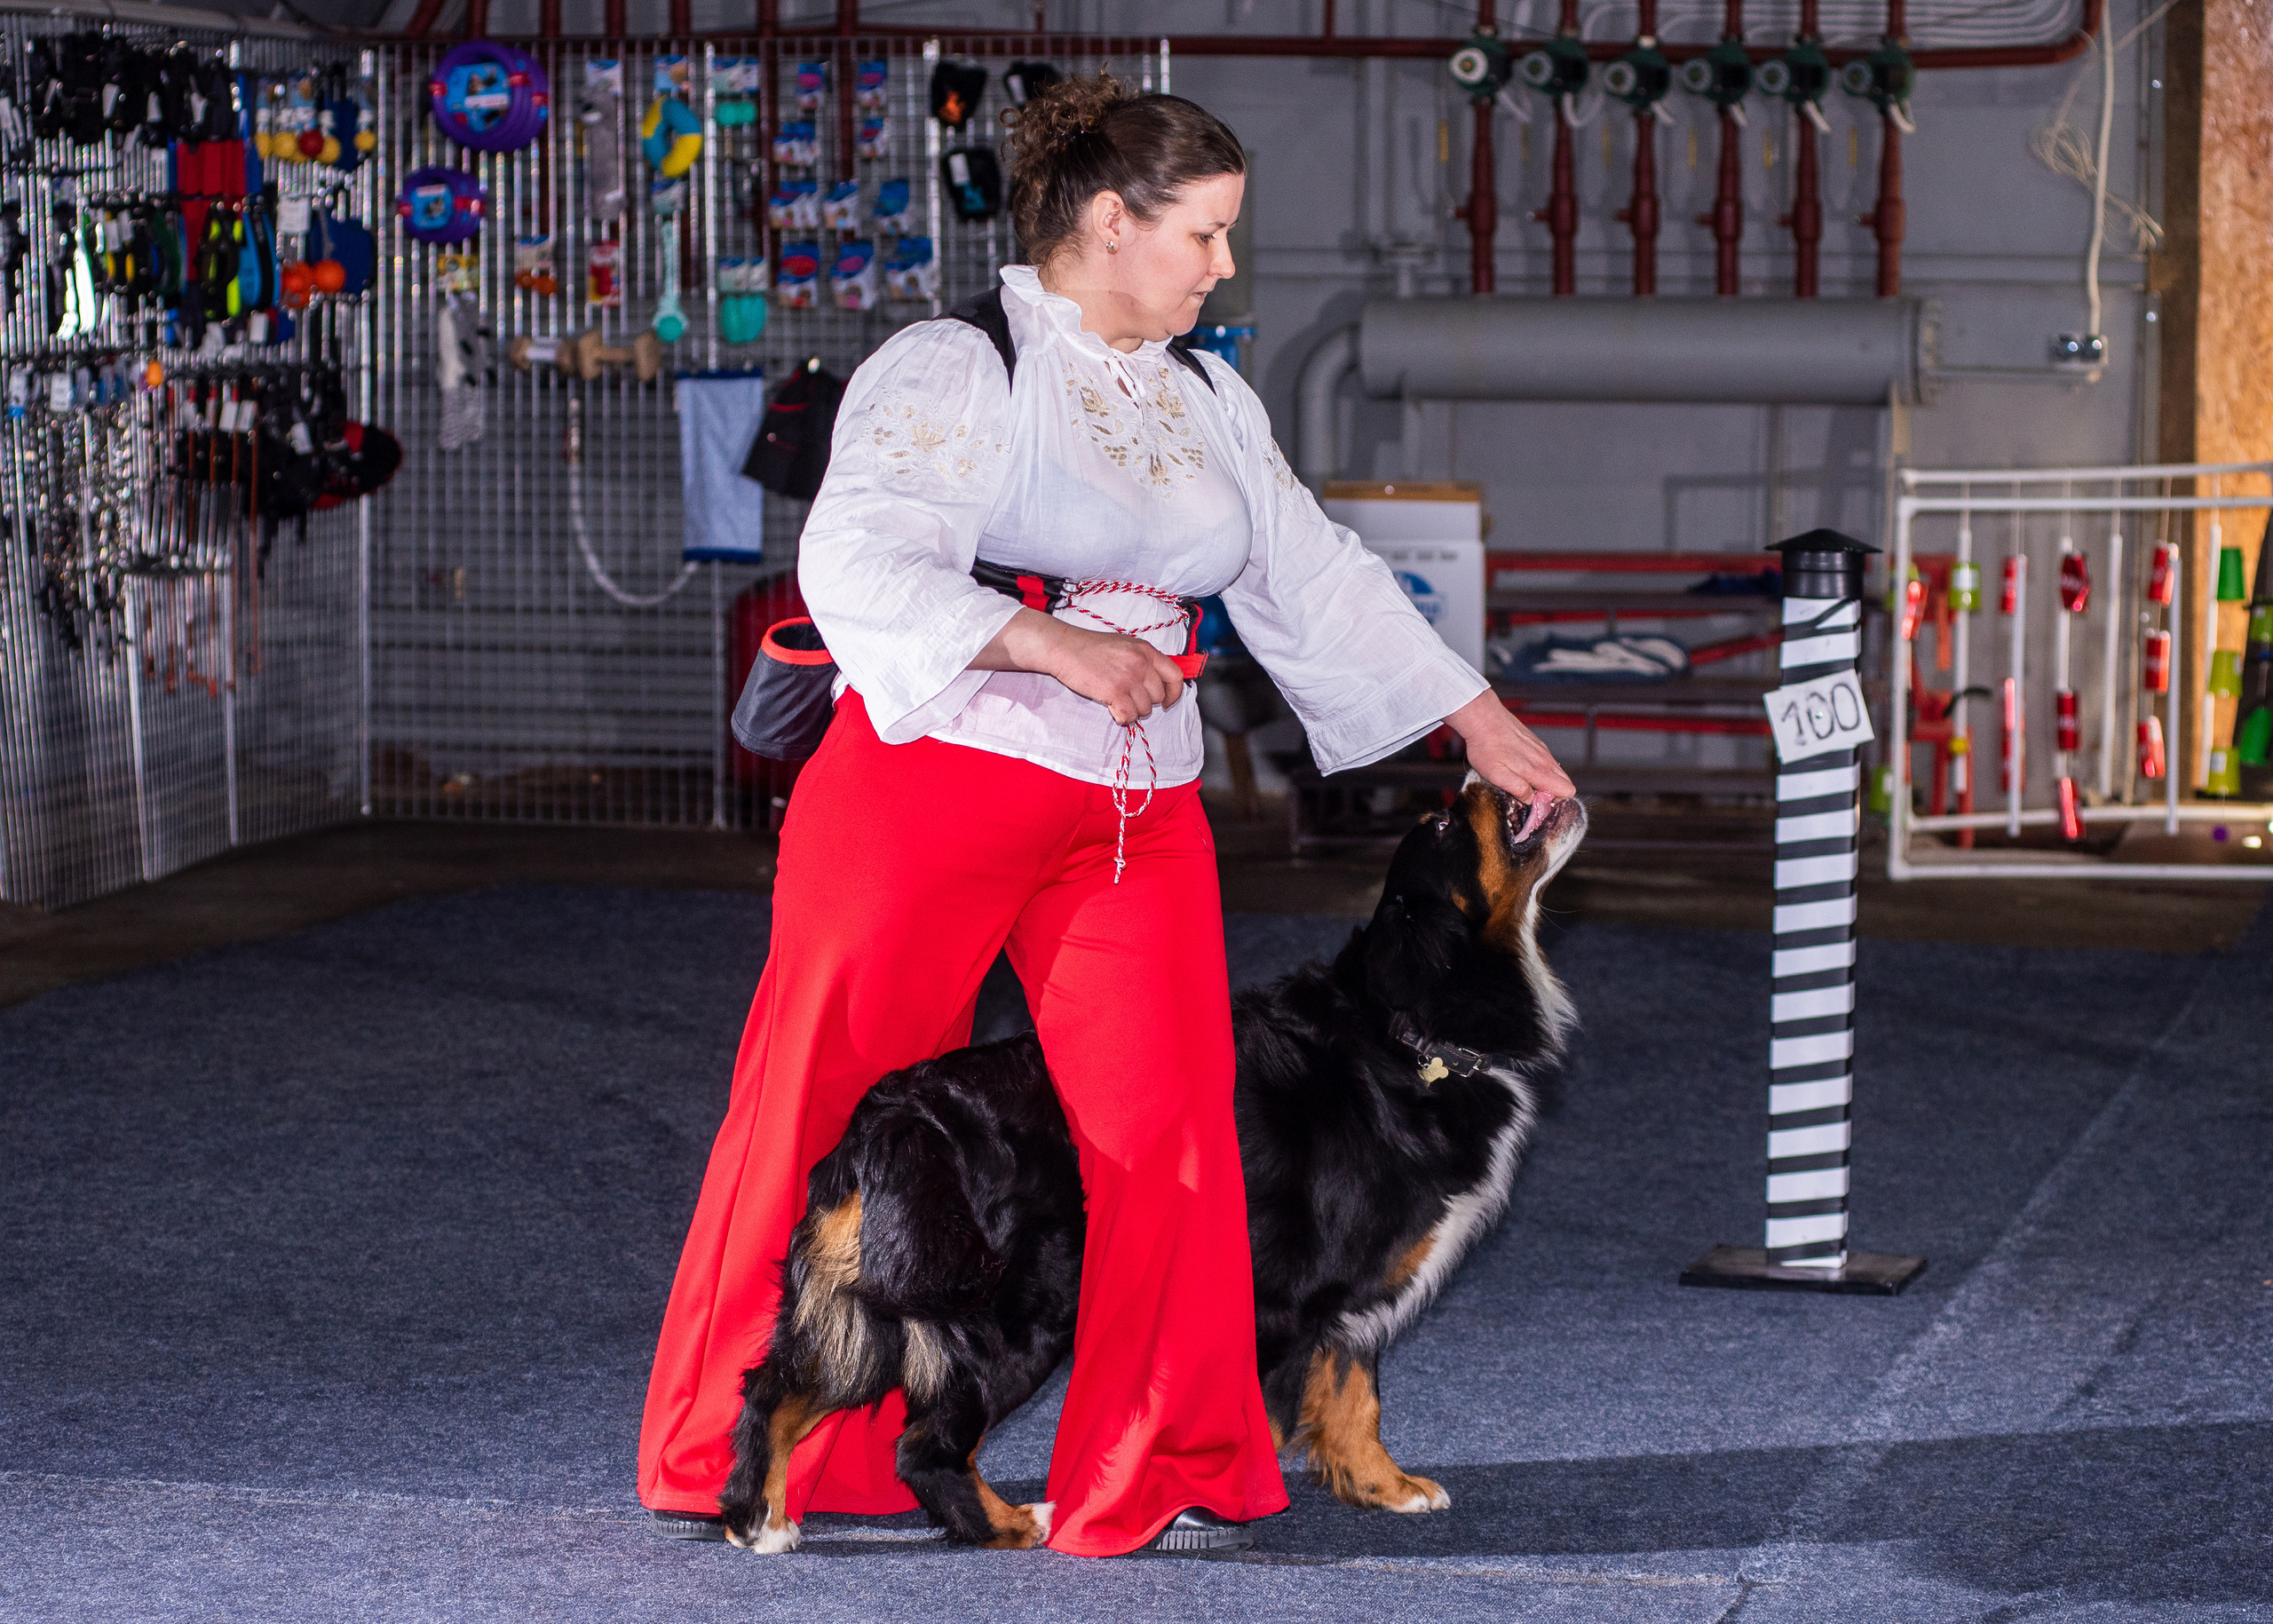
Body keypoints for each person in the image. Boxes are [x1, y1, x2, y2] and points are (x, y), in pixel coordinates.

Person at [638, 73, 1573, 1559]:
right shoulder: (958, 363)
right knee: (820, 1094)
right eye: (1200, 236)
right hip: (929, 778)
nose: (1221, 268)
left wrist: (1480, 716)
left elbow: (1316, 575)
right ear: (1104, 221)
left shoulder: (1210, 394)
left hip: (1134, 812)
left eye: (1225, 238)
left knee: (1177, 1129)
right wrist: (1050, 642)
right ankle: (729, 1443)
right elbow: (860, 558)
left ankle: (1159, 1459)